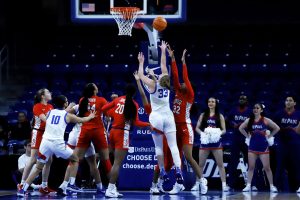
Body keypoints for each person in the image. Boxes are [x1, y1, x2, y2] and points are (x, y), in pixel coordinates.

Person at [17, 95, 96, 197]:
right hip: (57, 144)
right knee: (75, 159)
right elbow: (82, 120)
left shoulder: (50, 112)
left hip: (45, 143)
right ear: (65, 104)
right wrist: (90, 116)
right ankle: (71, 184)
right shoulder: (67, 115)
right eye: (66, 101)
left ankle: (22, 188)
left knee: (38, 167)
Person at [137, 40, 184, 194]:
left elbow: (141, 76)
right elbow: (164, 65)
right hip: (168, 115)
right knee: (173, 146)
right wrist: (163, 51)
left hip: (156, 117)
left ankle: (163, 171)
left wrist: (141, 62)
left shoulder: (152, 84)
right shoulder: (166, 81)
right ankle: (178, 170)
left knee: (158, 147)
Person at [102, 84, 150, 198]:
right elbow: (137, 123)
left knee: (114, 162)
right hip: (122, 133)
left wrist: (108, 115)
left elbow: (104, 109)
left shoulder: (118, 99)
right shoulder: (134, 104)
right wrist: (148, 124)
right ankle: (110, 188)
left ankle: (113, 188)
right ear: (134, 94)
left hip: (113, 131)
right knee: (117, 164)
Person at [166, 46, 203, 191]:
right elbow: (175, 76)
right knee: (177, 157)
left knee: (188, 156)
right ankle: (178, 184)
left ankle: (201, 181)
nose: (180, 83)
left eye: (183, 84)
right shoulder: (178, 92)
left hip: (185, 127)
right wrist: (173, 59)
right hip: (174, 127)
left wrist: (183, 62)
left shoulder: (189, 95)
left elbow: (184, 77)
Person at [57, 103, 104, 196]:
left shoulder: (78, 106)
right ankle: (99, 187)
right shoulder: (96, 106)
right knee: (91, 163)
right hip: (83, 136)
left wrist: (69, 107)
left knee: (72, 162)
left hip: (73, 134)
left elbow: (64, 114)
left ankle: (63, 185)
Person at [73, 83, 112, 189]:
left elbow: (79, 115)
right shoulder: (102, 100)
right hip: (98, 131)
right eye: (96, 86)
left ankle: (70, 184)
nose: (98, 87)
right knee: (105, 159)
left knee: (76, 159)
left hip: (85, 130)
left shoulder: (82, 100)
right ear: (94, 90)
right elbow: (108, 116)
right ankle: (112, 187)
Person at [18, 88, 54, 194]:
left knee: (49, 160)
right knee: (33, 159)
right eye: (48, 92)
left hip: (47, 134)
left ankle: (44, 186)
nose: (50, 93)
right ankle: (22, 183)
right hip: (37, 133)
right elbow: (47, 120)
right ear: (42, 96)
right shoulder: (37, 107)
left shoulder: (51, 107)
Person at [239, 103, 280, 192]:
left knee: (267, 167)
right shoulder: (249, 120)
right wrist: (247, 136)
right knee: (251, 167)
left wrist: (269, 136)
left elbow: (277, 128)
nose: (255, 109)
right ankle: (248, 185)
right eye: (254, 108)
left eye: (257, 108)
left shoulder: (266, 120)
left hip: (263, 147)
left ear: (261, 110)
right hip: (252, 147)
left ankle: (272, 186)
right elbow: (240, 128)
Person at [195, 97, 228, 193]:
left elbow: (224, 130)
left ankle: (224, 185)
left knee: (220, 165)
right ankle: (197, 184)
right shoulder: (203, 115)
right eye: (209, 101)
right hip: (205, 143)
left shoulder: (220, 116)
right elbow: (197, 128)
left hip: (216, 143)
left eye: (213, 102)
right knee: (200, 165)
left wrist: (216, 133)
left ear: (216, 103)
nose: (211, 103)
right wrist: (203, 134)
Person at [274, 96, 300, 192]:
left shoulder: (298, 114)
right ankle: (276, 186)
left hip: (295, 143)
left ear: (294, 103)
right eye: (286, 100)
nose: (288, 102)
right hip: (282, 143)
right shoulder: (279, 114)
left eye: (290, 100)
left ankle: (298, 186)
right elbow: (274, 128)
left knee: (297, 165)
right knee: (280, 165)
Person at [226, 95, 252, 190]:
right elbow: (227, 120)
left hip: (246, 138)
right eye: (240, 98)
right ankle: (231, 184)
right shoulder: (233, 110)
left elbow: (253, 123)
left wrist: (244, 125)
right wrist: (233, 124)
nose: (241, 100)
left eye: (243, 99)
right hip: (235, 138)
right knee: (233, 162)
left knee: (250, 162)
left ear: (247, 101)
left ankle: (251, 184)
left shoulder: (250, 112)